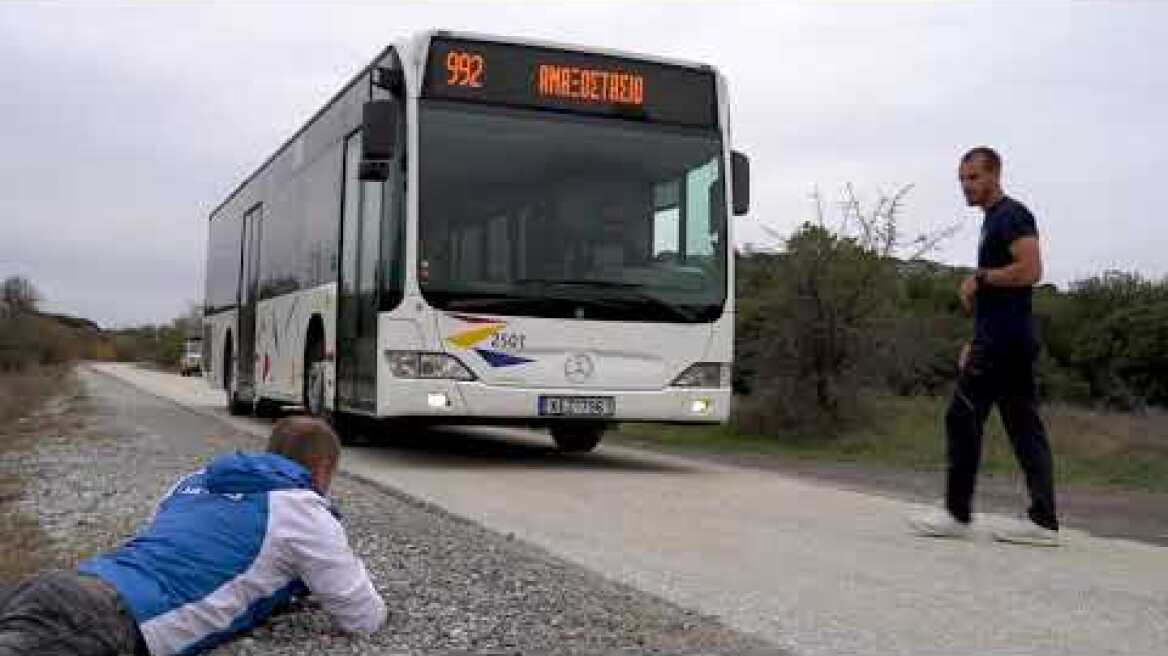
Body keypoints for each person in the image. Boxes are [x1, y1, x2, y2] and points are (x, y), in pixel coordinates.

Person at [0, 417, 386, 655]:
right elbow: (362, 616)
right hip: (106, 620)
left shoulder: (195, 480)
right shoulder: (302, 508)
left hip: (68, 582)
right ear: (321, 470)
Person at [910, 146, 1060, 546]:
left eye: (973, 177)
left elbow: (1031, 270)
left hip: (1003, 342)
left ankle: (958, 515)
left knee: (961, 416)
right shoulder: (993, 220)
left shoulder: (1012, 214)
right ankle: (1043, 521)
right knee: (1024, 427)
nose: (966, 185)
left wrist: (980, 279)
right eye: (961, 178)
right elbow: (1002, 299)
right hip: (1003, 339)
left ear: (994, 174)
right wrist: (974, 338)